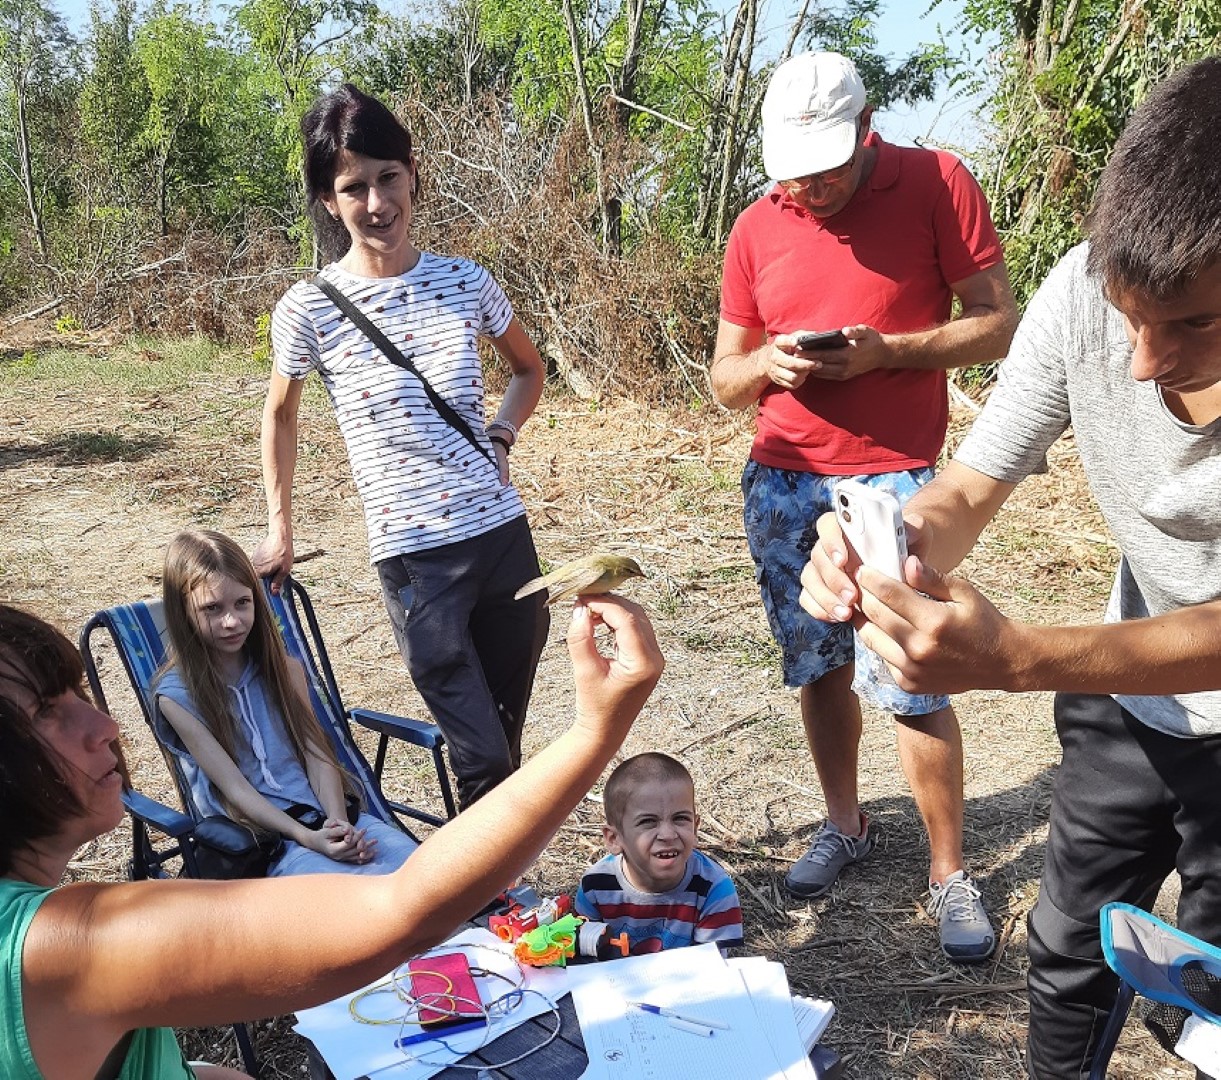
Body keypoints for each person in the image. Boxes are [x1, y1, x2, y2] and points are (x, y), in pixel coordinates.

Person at [798, 57, 1221, 1080]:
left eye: (1193, 326)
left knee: (1207, 1003)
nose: (1139, 363)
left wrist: (1022, 658)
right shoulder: (1083, 292)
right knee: (1069, 951)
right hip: (1129, 702)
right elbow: (973, 484)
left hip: (1129, 670)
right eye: (1128, 315)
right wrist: (885, 546)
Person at [0, 593, 663, 1080]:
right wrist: (592, 733)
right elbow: (401, 909)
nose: (103, 725)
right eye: (47, 714)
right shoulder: (55, 951)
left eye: (80, 692)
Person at [711, 50, 1017, 960]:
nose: (811, 187)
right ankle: (845, 824)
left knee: (910, 673)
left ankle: (948, 871)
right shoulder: (755, 226)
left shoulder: (936, 182)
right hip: (782, 479)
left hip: (894, 482)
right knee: (816, 664)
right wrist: (769, 363)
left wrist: (890, 353)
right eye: (794, 172)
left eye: (829, 167)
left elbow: (1000, 321)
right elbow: (725, 379)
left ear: (867, 128)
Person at [253, 83, 549, 811]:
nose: (377, 203)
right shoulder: (310, 308)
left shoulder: (465, 280)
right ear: (328, 199)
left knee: (504, 741)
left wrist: (503, 432)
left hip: (503, 539)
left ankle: (491, 899)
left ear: (412, 172)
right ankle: (482, 903)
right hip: (416, 556)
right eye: (354, 188)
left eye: (388, 178)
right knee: (480, 756)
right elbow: (281, 418)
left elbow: (528, 369)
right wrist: (280, 529)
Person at [155, 528, 417, 876]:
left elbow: (315, 752)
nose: (231, 621)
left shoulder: (284, 671)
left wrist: (338, 827)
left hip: (324, 816)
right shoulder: (177, 698)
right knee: (356, 902)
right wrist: (308, 838)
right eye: (212, 608)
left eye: (242, 603)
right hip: (265, 842)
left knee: (423, 872)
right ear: (183, 611)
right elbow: (235, 788)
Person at [573, 752, 743, 953]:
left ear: (695, 828)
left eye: (680, 818)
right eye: (648, 822)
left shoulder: (714, 889)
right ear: (614, 838)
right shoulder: (596, 886)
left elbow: (710, 970)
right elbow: (585, 954)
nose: (668, 834)